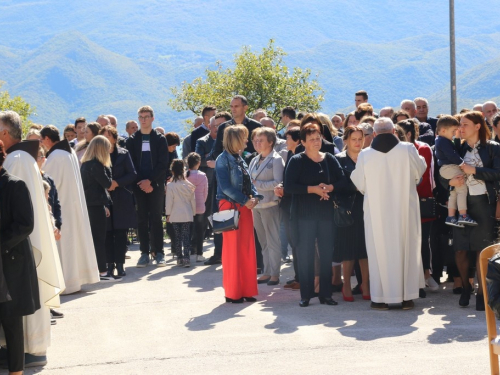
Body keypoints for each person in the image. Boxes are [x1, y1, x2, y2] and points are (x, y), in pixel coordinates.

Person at [0, 111, 64, 367]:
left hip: (13, 246)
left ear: (5, 134)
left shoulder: (15, 160)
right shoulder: (22, 157)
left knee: (15, 313)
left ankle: (25, 353)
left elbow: (14, 211)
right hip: (18, 243)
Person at [351, 117, 427, 310]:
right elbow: (420, 171)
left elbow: (360, 184)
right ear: (394, 131)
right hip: (404, 209)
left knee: (379, 251)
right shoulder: (408, 149)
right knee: (405, 247)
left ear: (374, 134)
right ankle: (406, 297)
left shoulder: (365, 155)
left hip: (376, 211)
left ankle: (379, 298)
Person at [284, 123, 348, 307]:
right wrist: (313, 189)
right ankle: (306, 294)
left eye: (318, 138)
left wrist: (330, 187)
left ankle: (326, 294)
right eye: (311, 139)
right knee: (305, 255)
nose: (316, 141)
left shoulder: (329, 158)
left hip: (327, 215)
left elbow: (343, 180)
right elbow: (289, 187)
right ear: (303, 142)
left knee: (327, 254)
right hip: (304, 216)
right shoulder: (296, 160)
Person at [445, 111, 500, 310]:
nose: (461, 127)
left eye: (465, 124)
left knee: (480, 249)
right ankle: (466, 288)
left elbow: (498, 173)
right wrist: (448, 182)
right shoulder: (456, 148)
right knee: (460, 249)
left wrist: (475, 171)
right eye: (460, 124)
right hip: (462, 204)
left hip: (484, 203)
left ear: (478, 126)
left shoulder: (493, 148)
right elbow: (442, 170)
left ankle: (480, 292)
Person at [40, 125, 100, 294]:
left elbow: (47, 182)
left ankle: (66, 283)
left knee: (65, 245)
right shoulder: (69, 152)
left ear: (46, 139)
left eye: (41, 140)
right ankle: (75, 281)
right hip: (72, 204)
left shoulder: (56, 156)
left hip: (63, 206)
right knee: (72, 243)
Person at [0, 139, 41, 375]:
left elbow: (25, 225)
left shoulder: (15, 185)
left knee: (12, 322)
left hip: (10, 263)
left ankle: (16, 371)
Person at [215, 125, 261, 303]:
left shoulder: (240, 159)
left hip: (244, 205)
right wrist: (245, 200)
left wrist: (255, 197)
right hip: (230, 206)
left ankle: (247, 290)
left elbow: (250, 182)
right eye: (244, 137)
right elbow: (225, 187)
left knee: (247, 248)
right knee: (233, 250)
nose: (247, 140)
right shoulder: (222, 159)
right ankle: (233, 293)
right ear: (235, 139)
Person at [398, 118, 440, 293]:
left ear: (408, 134)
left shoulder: (423, 149)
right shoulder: (393, 151)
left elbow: (427, 179)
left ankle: (425, 276)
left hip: (421, 201)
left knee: (422, 242)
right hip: (400, 204)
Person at [126, 106, 169, 268]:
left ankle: (159, 253)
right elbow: (130, 165)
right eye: (140, 117)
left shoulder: (159, 139)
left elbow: (163, 164)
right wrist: (142, 183)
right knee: (141, 219)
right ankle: (144, 253)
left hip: (155, 185)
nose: (143, 119)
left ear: (152, 118)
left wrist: (150, 181)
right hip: (138, 186)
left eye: (146, 116)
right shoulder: (131, 140)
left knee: (157, 218)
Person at [333, 125, 370, 301]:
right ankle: (346, 284)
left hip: (367, 207)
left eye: (360, 139)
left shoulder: (369, 157)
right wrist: (355, 186)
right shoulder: (338, 159)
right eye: (354, 139)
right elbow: (336, 185)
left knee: (365, 249)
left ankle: (366, 285)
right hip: (347, 208)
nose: (357, 143)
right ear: (345, 140)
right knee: (348, 250)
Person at [80, 136, 121, 282]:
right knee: (99, 240)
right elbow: (108, 183)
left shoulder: (85, 164)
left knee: (95, 239)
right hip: (95, 206)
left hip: (92, 205)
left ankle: (98, 271)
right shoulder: (96, 165)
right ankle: (103, 272)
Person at [248, 127, 285, 286]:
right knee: (263, 241)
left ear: (270, 142)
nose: (257, 143)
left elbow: (278, 182)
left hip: (270, 204)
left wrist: (257, 185)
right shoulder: (254, 159)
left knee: (273, 240)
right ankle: (267, 271)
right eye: (255, 140)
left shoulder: (276, 159)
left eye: (261, 140)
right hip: (256, 206)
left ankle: (275, 273)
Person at [100, 126, 137, 277]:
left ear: (114, 139)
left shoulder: (124, 153)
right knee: (107, 234)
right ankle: (109, 266)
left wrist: (116, 183)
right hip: (105, 199)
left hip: (122, 197)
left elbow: (132, 174)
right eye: (103, 136)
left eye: (108, 136)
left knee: (121, 233)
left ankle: (120, 265)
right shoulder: (98, 155)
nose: (106, 139)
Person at [197, 112, 232, 266]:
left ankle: (231, 255)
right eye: (216, 125)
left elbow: (212, 158)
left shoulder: (236, 138)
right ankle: (218, 253)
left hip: (234, 187)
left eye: (221, 125)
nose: (218, 128)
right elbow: (205, 158)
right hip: (216, 184)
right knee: (218, 217)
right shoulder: (207, 140)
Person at [434, 116, 478, 227]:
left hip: (447, 168)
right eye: (453, 131)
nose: (454, 134)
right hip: (450, 167)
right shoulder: (443, 141)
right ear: (443, 130)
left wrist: (457, 138)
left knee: (453, 192)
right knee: (462, 189)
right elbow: (452, 155)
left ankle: (451, 216)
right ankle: (463, 215)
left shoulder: (442, 140)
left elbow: (455, 150)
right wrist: (462, 164)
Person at [275, 126, 301, 290]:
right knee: (293, 242)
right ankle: (298, 276)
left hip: (294, 205)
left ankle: (301, 277)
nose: (286, 142)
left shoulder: (298, 156)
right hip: (287, 204)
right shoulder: (290, 154)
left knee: (297, 243)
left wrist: (284, 188)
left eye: (289, 138)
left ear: (297, 140)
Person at [210, 95, 262, 160]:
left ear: (245, 108)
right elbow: (216, 150)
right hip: (228, 167)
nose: (233, 109)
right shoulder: (223, 127)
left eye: (236, 106)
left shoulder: (256, 126)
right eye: (231, 106)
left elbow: (261, 149)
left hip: (251, 166)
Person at [165, 159, 196, 267]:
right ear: (183, 170)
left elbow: (169, 201)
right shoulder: (189, 185)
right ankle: (187, 258)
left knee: (177, 237)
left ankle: (179, 258)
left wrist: (168, 214)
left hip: (174, 214)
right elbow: (193, 200)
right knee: (186, 237)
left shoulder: (170, 186)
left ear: (172, 171)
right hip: (187, 213)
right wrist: (194, 212)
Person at [186, 153, 208, 262]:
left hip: (187, 206)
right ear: (199, 163)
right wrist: (202, 203)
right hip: (199, 206)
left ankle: (187, 254)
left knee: (188, 230)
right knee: (200, 231)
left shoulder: (185, 176)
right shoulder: (203, 175)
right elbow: (205, 193)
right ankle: (200, 254)